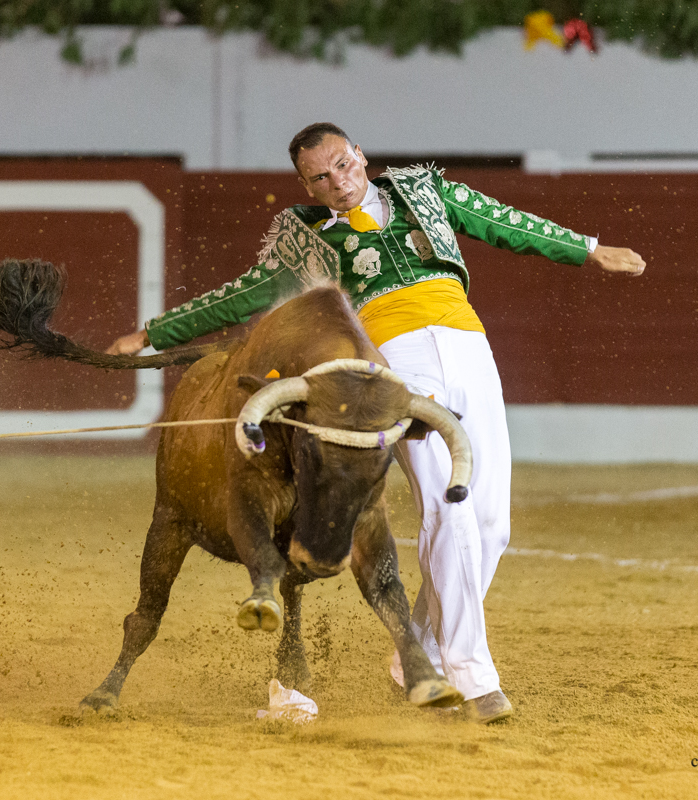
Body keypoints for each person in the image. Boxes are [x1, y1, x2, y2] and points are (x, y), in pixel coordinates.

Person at [106, 122, 646, 724]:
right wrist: (154, 334)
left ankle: (420, 646)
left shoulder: (424, 190)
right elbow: (241, 294)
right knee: (452, 508)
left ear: (359, 155)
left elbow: (502, 220)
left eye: (342, 164)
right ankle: (472, 674)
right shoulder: (306, 240)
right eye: (321, 177)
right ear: (307, 186)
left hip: (471, 348)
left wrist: (587, 247)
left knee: (492, 525)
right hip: (393, 368)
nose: (338, 182)